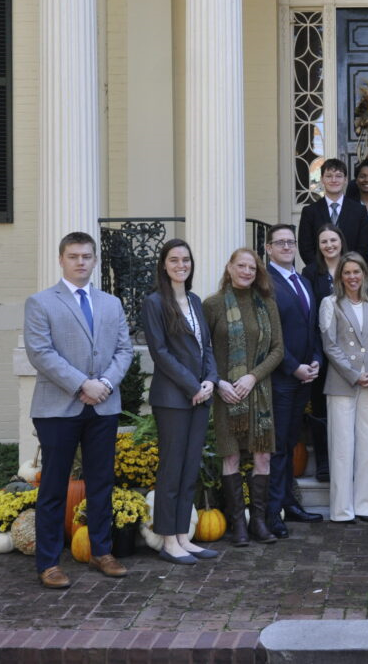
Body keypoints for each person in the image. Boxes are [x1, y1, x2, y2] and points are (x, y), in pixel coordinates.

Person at [24, 231, 134, 588]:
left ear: (94, 259)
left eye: (87, 256)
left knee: (101, 482)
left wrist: (103, 385)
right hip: (58, 408)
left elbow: (124, 351)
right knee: (54, 487)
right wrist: (80, 384)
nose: (81, 262)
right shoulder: (41, 303)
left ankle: (102, 552)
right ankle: (49, 563)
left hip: (103, 406)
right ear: (61, 260)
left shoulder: (110, 303)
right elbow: (41, 353)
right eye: (74, 256)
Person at [141, 238, 220, 564]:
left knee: (189, 470)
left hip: (200, 396)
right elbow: (160, 352)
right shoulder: (155, 302)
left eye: (185, 260)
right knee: (171, 471)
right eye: (174, 260)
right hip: (173, 399)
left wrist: (210, 380)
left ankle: (183, 537)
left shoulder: (195, 300)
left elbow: (207, 348)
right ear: (164, 264)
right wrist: (192, 386)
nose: (180, 265)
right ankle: (167, 540)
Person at [202, 248, 284, 546]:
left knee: (262, 455)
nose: (247, 271)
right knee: (232, 455)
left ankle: (258, 523)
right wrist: (220, 383)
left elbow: (278, 349)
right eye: (241, 266)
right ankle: (237, 523)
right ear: (230, 267)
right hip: (227, 395)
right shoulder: (212, 305)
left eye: (252, 267)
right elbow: (204, 351)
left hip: (259, 392)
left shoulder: (267, 304)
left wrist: (252, 376)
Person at [263, 223, 325, 539]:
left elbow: (312, 326)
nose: (287, 247)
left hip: (305, 376)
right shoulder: (266, 285)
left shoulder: (303, 281)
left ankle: (290, 502)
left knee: (290, 443)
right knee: (278, 449)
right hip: (282, 377)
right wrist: (293, 367)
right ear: (269, 249)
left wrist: (315, 359)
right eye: (280, 243)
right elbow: (269, 336)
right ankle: (273, 515)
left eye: (290, 242)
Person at [318, 252, 368, 523]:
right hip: (342, 382)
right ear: (340, 276)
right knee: (342, 444)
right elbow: (330, 345)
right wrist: (353, 374)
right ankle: (342, 509)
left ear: (364, 275)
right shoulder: (330, 303)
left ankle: (366, 506)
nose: (352, 277)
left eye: (356, 272)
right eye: (346, 272)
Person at [300, 223, 347, 483]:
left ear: (341, 241)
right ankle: (324, 463)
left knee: (347, 407)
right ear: (318, 247)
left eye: (333, 240)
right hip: (321, 348)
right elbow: (309, 312)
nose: (329, 245)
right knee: (320, 407)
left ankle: (346, 459)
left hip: (351, 350)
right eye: (324, 242)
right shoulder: (310, 273)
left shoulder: (353, 266)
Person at [298, 158, 368, 266]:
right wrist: (322, 270)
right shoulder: (310, 211)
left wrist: (349, 267)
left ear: (345, 180)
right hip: (320, 275)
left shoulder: (359, 211)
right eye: (329, 176)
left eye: (339, 176)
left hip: (351, 274)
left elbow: (363, 247)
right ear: (322, 179)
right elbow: (305, 248)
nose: (334, 180)